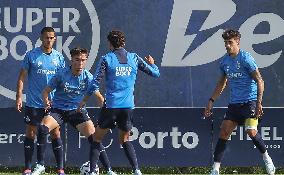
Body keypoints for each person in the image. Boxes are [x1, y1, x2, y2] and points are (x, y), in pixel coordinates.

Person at [78, 30, 160, 175]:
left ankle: (91, 172)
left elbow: (95, 83)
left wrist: (84, 100)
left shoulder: (106, 59)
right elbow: (155, 73)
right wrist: (153, 64)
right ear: (123, 43)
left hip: (111, 107)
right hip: (127, 108)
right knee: (125, 140)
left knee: (96, 139)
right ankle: (136, 170)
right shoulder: (134, 58)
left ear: (109, 44)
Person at [203, 29, 275, 175]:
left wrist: (259, 102)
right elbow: (221, 83)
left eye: (230, 42)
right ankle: (215, 169)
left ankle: (266, 158)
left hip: (250, 101)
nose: (227, 45)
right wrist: (211, 100)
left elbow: (260, 81)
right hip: (234, 104)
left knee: (250, 131)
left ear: (237, 42)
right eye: (225, 43)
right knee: (223, 132)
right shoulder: (225, 62)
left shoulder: (246, 59)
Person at [36, 47, 117, 175]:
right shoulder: (61, 74)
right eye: (77, 60)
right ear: (72, 60)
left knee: (95, 138)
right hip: (58, 111)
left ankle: (109, 170)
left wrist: (108, 114)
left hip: (77, 112)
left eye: (83, 60)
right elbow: (45, 91)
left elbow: (99, 97)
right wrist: (46, 101)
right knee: (42, 129)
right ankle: (40, 165)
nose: (80, 63)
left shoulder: (88, 77)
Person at [16, 27, 65, 175]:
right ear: (41, 38)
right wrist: (19, 96)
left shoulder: (59, 57)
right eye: (46, 38)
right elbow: (22, 78)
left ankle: (60, 169)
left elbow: (63, 81)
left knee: (56, 134)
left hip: (53, 104)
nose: (49, 40)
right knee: (31, 133)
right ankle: (28, 168)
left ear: (54, 39)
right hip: (33, 103)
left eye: (51, 38)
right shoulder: (31, 55)